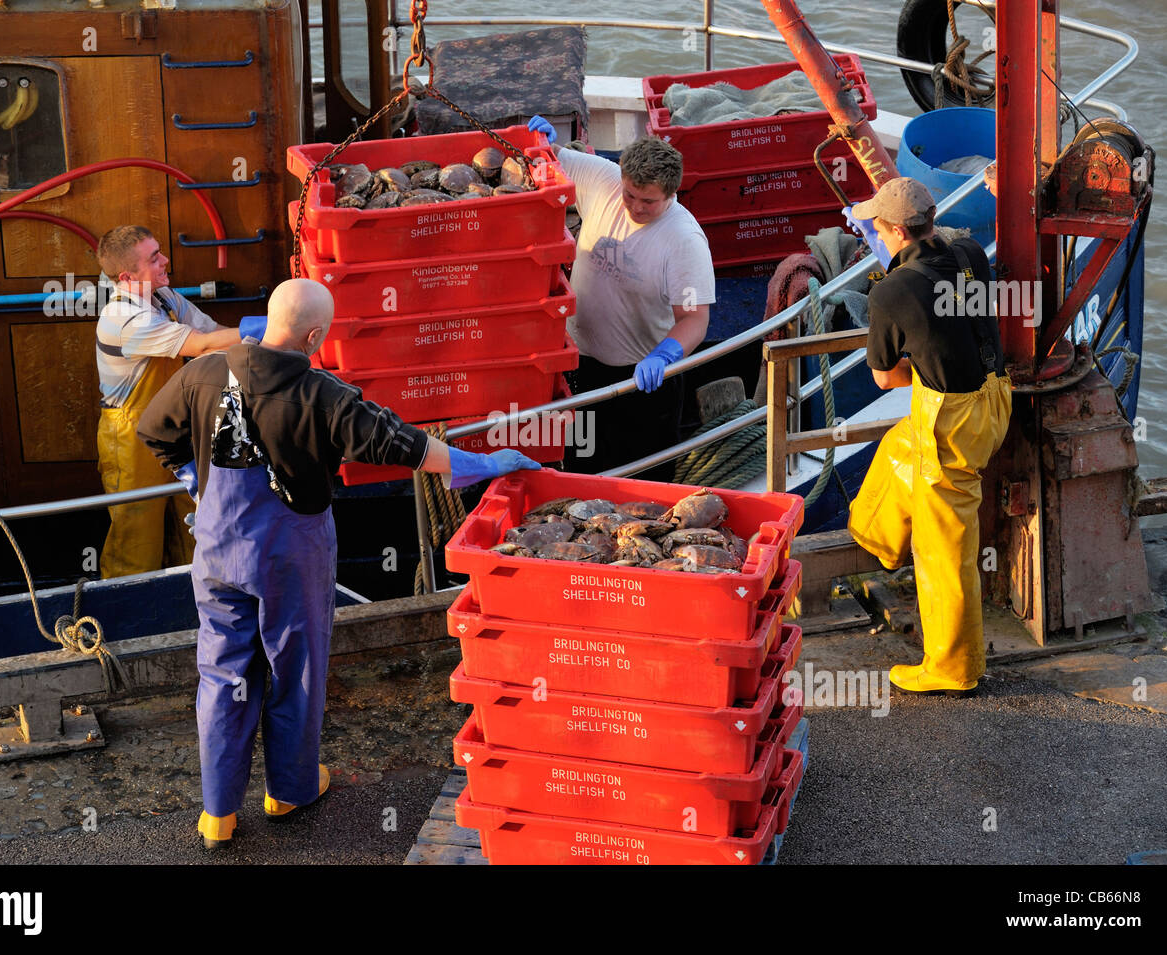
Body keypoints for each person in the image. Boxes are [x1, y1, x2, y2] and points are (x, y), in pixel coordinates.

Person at [137, 278, 538, 849]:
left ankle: (217, 813)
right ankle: (291, 790)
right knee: (295, 666)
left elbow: (154, 431)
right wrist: (478, 463)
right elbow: (405, 446)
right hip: (289, 555)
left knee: (223, 674)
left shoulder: (203, 371)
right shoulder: (323, 394)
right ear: (316, 336)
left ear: (265, 318)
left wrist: (193, 479)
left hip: (217, 548)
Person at [842, 177, 1013, 695]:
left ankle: (953, 668)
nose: (873, 231)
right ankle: (878, 539)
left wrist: (894, 308)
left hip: (954, 423)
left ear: (894, 231)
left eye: (876, 226)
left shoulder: (891, 291)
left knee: (947, 551)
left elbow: (886, 378)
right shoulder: (968, 254)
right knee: (899, 446)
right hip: (995, 399)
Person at [528, 116, 715, 478]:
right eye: (630, 194)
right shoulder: (602, 178)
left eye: (649, 201)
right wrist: (543, 139)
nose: (636, 207)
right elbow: (550, 157)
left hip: (643, 382)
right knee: (579, 467)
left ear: (672, 195)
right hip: (578, 367)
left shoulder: (685, 241)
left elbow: (695, 318)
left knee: (644, 477)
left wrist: (664, 355)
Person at [94, 225, 263, 578]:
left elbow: (212, 336)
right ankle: (128, 625)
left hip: (175, 427)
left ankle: (196, 605)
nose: (165, 261)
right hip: (131, 441)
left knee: (194, 523)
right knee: (136, 540)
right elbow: (199, 346)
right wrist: (276, 327)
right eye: (154, 258)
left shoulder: (166, 298)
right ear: (127, 276)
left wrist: (260, 342)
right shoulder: (123, 319)